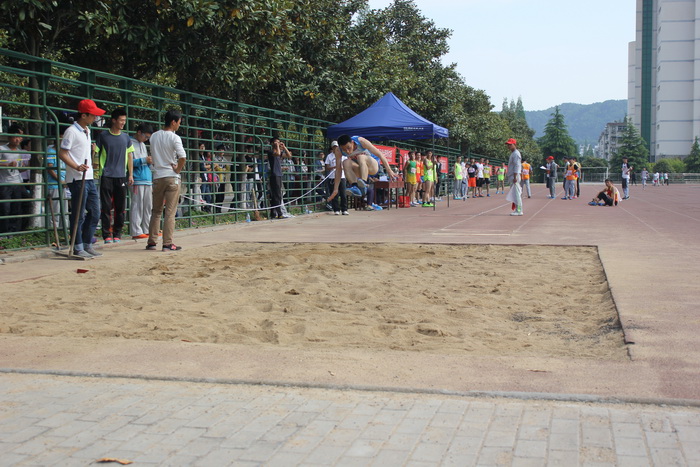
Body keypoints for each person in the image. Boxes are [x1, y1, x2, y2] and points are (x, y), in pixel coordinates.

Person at [58, 99, 105, 258]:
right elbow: (62, 153)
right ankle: (78, 246)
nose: (95, 118)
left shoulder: (87, 130)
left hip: (89, 177)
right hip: (77, 178)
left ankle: (86, 243)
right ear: (83, 115)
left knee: (95, 212)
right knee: (79, 213)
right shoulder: (71, 131)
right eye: (92, 115)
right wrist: (76, 166)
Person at [146, 109, 186, 251]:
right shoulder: (175, 137)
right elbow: (182, 157)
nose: (179, 125)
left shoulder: (154, 136)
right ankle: (167, 243)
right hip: (171, 177)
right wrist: (177, 169)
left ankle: (152, 242)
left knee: (156, 211)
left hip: (157, 176)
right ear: (173, 122)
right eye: (179, 122)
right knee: (169, 212)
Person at [95, 107, 134, 243]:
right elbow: (95, 153)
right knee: (106, 206)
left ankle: (117, 233)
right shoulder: (103, 136)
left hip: (121, 176)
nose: (123, 123)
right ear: (113, 120)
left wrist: (130, 175)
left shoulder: (126, 138)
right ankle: (106, 234)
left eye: (124, 120)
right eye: (121, 120)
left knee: (120, 207)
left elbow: (130, 156)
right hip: (106, 176)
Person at [328, 135, 397, 202]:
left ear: (352, 142)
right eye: (344, 150)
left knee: (361, 157)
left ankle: (364, 184)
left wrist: (389, 170)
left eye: (349, 148)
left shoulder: (361, 141)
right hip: (360, 170)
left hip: (373, 167)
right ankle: (355, 186)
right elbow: (338, 170)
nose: (348, 151)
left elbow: (380, 154)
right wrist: (335, 189)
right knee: (345, 162)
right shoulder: (338, 150)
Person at [0, 123, 27, 233]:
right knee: (5, 208)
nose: (19, 139)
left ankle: (14, 231)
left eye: (21, 136)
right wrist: (8, 164)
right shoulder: (2, 149)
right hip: (5, 183)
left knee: (18, 207)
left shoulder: (19, 151)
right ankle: (4, 232)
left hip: (18, 182)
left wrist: (24, 167)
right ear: (10, 136)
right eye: (17, 136)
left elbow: (19, 169)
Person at [129, 123, 153, 239]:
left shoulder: (143, 145)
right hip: (137, 178)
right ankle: (136, 231)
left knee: (148, 206)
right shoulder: (129, 143)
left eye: (148, 138)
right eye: (145, 136)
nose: (146, 139)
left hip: (147, 178)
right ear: (139, 132)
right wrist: (144, 160)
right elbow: (129, 162)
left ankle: (147, 229)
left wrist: (149, 162)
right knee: (137, 205)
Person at [267, 136, 291, 219]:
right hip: (274, 175)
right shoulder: (271, 152)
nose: (278, 143)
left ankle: (273, 213)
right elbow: (277, 153)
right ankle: (279, 213)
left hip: (279, 174)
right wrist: (277, 146)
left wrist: (284, 147)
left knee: (277, 195)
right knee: (277, 195)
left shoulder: (279, 152)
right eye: (276, 142)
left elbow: (289, 155)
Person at [325, 141, 348, 215]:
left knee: (343, 194)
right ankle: (336, 209)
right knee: (334, 194)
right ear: (332, 148)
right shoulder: (329, 156)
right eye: (334, 147)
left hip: (342, 177)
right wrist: (334, 167)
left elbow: (347, 165)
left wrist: (341, 167)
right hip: (332, 177)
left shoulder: (343, 156)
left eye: (337, 147)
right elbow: (327, 167)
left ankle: (344, 209)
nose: (335, 148)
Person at [506, 138, 523, 216]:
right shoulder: (513, 153)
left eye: (510, 144)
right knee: (514, 194)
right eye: (508, 145)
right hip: (513, 176)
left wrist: (515, 176)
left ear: (514, 144)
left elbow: (517, 165)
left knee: (516, 194)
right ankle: (517, 209)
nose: (509, 146)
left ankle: (519, 210)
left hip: (514, 176)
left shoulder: (516, 154)